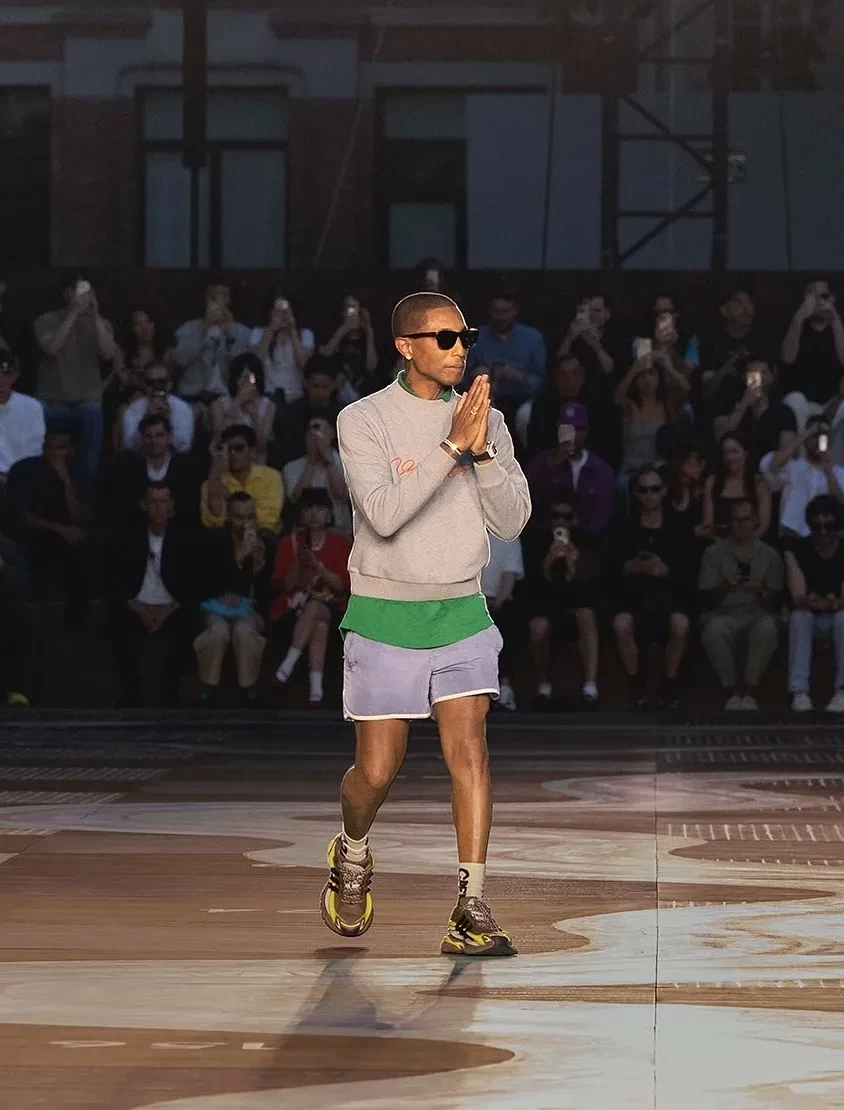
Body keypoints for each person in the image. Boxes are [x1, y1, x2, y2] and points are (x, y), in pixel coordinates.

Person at [323, 291, 530, 957]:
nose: (459, 349)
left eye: (464, 337)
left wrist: (484, 453)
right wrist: (450, 447)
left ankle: (471, 905)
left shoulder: (486, 420)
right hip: (384, 611)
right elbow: (383, 515)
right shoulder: (363, 419)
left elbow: (513, 521)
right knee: (376, 772)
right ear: (405, 347)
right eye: (444, 338)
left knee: (469, 753)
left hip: (462, 608)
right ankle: (352, 850)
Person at [105, 482, 199, 707]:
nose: (158, 508)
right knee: (117, 621)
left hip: (172, 607)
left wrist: (169, 609)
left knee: (189, 621)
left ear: (171, 506)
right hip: (137, 606)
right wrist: (138, 607)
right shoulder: (128, 538)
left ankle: (171, 694)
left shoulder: (185, 539)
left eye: (163, 501)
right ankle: (132, 694)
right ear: (143, 505)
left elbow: (192, 584)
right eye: (153, 502)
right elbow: (115, 581)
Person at [612, 466, 695, 709]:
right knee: (621, 623)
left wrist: (665, 570)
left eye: (655, 489)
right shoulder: (624, 528)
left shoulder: (678, 527)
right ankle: (636, 684)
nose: (650, 495)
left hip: (670, 597)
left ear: (664, 491)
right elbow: (611, 569)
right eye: (644, 490)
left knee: (681, 623)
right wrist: (630, 567)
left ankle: (671, 682)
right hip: (634, 598)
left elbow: (690, 572)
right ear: (636, 493)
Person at [698, 499, 783, 711]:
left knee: (767, 628)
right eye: (736, 520)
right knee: (714, 629)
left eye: (745, 519)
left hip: (758, 613)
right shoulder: (714, 552)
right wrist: (727, 584)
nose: (740, 525)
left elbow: (775, 603)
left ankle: (750, 692)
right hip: (723, 614)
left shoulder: (770, 555)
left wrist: (760, 589)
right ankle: (732, 692)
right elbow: (707, 599)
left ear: (755, 521)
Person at [34, 277, 118, 488]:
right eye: (78, 291)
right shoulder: (46, 320)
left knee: (93, 414)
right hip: (51, 401)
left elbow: (108, 353)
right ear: (67, 293)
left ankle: (84, 486)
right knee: (33, 416)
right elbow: (52, 348)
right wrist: (73, 313)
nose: (83, 296)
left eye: (88, 291)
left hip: (86, 401)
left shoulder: (102, 324)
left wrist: (95, 315)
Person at [271, 488, 351, 704]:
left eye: (320, 509)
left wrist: (319, 568)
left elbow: (343, 586)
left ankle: (287, 665)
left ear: (329, 514)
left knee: (317, 609)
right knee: (319, 624)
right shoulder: (289, 542)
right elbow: (284, 585)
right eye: (308, 509)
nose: (314, 514)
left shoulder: (341, 544)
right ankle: (316, 690)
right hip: (293, 608)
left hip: (332, 605)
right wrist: (299, 562)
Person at [7, 427, 93, 627]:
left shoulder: (80, 472)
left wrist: (66, 482)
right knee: (28, 560)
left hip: (67, 539)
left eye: (61, 448)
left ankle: (75, 626)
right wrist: (59, 528)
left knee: (84, 554)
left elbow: (81, 520)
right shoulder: (25, 469)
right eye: (50, 447)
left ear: (71, 450)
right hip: (32, 536)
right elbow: (21, 516)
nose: (54, 453)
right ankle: (29, 623)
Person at [194, 492, 273, 708]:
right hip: (215, 608)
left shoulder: (265, 542)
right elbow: (208, 584)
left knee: (243, 630)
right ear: (228, 517)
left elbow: (266, 591)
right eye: (239, 517)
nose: (245, 523)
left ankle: (249, 690)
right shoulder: (214, 540)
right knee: (218, 630)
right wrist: (238, 557)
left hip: (249, 612)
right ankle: (208, 689)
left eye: (250, 517)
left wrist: (259, 563)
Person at [524, 495, 601, 709]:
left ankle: (590, 688)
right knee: (537, 627)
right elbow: (531, 587)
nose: (561, 522)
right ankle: (544, 686)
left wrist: (574, 564)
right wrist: (547, 564)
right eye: (556, 516)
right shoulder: (537, 543)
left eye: (566, 517)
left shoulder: (586, 542)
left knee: (586, 615)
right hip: (547, 607)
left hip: (577, 607)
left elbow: (591, 590)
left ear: (574, 519)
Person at [785, 495, 844, 713]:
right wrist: (812, 601)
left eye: (829, 525)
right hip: (811, 614)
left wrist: (831, 603)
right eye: (817, 526)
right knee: (799, 617)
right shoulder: (799, 549)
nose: (823, 531)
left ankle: (843, 690)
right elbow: (798, 596)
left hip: (836, 615)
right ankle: (799, 691)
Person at [524, 402, 615, 537]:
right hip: (544, 539)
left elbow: (601, 518)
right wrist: (549, 467)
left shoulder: (601, 470)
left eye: (577, 429)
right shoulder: (540, 463)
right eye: (566, 429)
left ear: (586, 431)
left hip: (589, 541)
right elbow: (528, 504)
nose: (572, 435)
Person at [101, 413, 199, 531]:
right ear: (142, 439)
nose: (154, 441)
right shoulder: (129, 469)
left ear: (169, 437)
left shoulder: (185, 467)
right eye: (148, 436)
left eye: (159, 435)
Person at [465, 290, 546, 427]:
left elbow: (541, 384)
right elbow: (462, 378)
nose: (501, 317)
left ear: (515, 311)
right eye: (496, 312)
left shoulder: (533, 339)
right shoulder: (477, 338)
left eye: (506, 311)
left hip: (523, 402)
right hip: (485, 402)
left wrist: (517, 375)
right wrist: (482, 374)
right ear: (489, 311)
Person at [760, 415, 844, 540]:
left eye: (822, 436)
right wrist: (806, 433)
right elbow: (772, 466)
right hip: (791, 533)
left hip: (825, 535)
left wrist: (829, 472)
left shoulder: (838, 472)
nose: (817, 441)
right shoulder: (792, 466)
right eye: (813, 436)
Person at [613, 355, 688, 488]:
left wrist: (668, 367)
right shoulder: (629, 406)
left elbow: (686, 387)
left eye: (651, 373)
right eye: (641, 375)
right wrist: (635, 368)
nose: (646, 379)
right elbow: (617, 398)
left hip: (661, 471)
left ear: (659, 377)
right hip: (631, 473)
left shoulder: (668, 403)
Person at [700, 287, 771, 425]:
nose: (746, 308)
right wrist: (729, 364)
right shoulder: (713, 341)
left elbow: (773, 379)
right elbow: (708, 389)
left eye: (749, 303)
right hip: (722, 410)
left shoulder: (761, 339)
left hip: (757, 406)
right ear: (724, 310)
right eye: (739, 302)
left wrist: (767, 378)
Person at [172, 280, 250, 402]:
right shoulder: (188, 328)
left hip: (228, 397)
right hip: (193, 394)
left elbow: (245, 367)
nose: (219, 302)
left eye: (224, 296)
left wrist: (229, 335)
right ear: (205, 299)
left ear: (230, 300)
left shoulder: (241, 331)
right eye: (213, 297)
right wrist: (203, 329)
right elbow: (180, 360)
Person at [780, 280, 844, 429]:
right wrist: (799, 317)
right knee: (795, 400)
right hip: (801, 402)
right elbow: (787, 359)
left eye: (824, 296)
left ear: (832, 298)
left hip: (833, 403)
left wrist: (834, 318)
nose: (819, 301)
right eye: (813, 296)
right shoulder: (795, 325)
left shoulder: (839, 326)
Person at [201, 424, 284, 535]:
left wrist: (227, 496)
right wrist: (214, 478)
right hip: (227, 538)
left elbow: (267, 521)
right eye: (227, 449)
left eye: (238, 448)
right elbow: (213, 523)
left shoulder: (270, 476)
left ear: (252, 452)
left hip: (264, 538)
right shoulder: (211, 482)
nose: (232, 453)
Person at [712, 358, 797, 465]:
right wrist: (743, 405)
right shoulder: (729, 406)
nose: (758, 377)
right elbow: (721, 438)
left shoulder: (783, 412)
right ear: (744, 377)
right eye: (751, 372)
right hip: (736, 468)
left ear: (772, 377)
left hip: (769, 470)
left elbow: (786, 455)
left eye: (763, 372)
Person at [281, 415, 350, 536]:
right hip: (304, 533)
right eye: (311, 434)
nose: (316, 438)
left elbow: (342, 494)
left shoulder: (347, 462)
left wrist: (329, 461)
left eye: (320, 432)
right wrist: (311, 462)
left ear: (332, 434)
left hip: (340, 531)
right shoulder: (291, 467)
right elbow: (297, 498)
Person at [480, 533, 524, 712]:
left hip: (498, 602)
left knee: (503, 623)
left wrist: (498, 602)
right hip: (468, 601)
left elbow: (509, 576)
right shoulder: (464, 531)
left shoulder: (508, 537)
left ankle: (505, 689)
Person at [272, 356, 341, 469]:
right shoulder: (289, 414)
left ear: (334, 384)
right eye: (316, 386)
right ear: (306, 383)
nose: (320, 392)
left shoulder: (343, 415)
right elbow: (281, 454)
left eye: (325, 387)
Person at [702, 432, 772, 539]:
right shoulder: (712, 482)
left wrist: (744, 545)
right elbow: (708, 523)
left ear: (745, 453)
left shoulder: (759, 483)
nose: (730, 457)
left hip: (752, 542)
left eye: (734, 451)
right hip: (719, 542)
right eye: (725, 453)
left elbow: (763, 525)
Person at [250, 290, 314, 405]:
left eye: (286, 312)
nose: (283, 316)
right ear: (270, 313)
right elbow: (255, 363)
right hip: (267, 396)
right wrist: (270, 332)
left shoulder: (305, 335)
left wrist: (293, 333)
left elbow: (305, 365)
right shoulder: (258, 333)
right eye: (278, 311)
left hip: (296, 395)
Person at [210, 352, 275, 464]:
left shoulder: (269, 405)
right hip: (226, 461)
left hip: (255, 463)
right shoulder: (218, 404)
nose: (246, 383)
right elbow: (219, 439)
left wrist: (255, 415)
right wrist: (237, 403)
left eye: (250, 378)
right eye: (241, 377)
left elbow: (262, 445)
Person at [515, 353, 585, 457]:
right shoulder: (541, 407)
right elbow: (535, 449)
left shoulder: (594, 404)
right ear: (555, 377)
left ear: (582, 376)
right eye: (562, 374)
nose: (569, 380)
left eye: (575, 373)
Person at [120, 363, 194, 455]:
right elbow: (130, 447)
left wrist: (168, 420)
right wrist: (146, 418)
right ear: (144, 384)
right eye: (151, 382)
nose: (157, 386)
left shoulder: (183, 408)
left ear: (170, 384)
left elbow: (184, 447)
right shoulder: (133, 410)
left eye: (162, 382)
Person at [0, 531, 36, 708]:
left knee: (25, 614)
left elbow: (23, 586)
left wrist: (3, 569)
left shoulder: (6, 547)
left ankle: (17, 693)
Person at [319, 294, 378, 400]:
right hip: (335, 394)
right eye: (349, 307)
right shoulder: (333, 334)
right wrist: (344, 329)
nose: (352, 312)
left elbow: (372, 367)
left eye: (355, 307)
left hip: (362, 394)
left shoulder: (368, 338)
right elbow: (324, 358)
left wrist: (369, 330)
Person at [0, 348, 45, 488]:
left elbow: (34, 450)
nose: (1, 379)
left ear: (15, 376)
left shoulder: (32, 407)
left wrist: (14, 476)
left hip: (22, 478)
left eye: (6, 373)